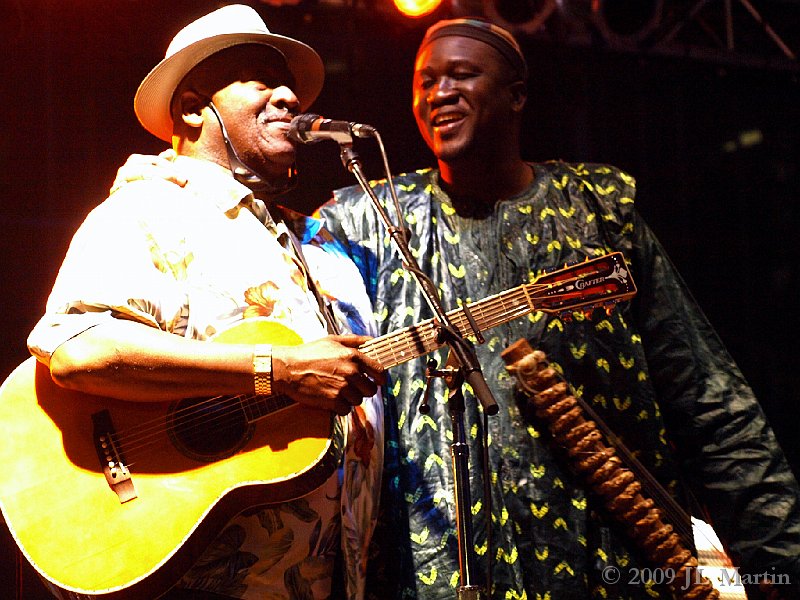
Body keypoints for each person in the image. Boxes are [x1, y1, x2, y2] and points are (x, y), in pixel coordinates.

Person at [317, 17, 800, 600]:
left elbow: (705, 397)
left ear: (517, 95)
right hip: (434, 568)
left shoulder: (596, 208)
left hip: (605, 562)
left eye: (461, 75)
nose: (438, 92)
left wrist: (779, 562)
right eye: (425, 81)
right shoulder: (366, 221)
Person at [26, 5, 384, 600]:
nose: (290, 96)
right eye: (263, 82)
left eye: (288, 84)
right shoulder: (149, 213)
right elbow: (76, 348)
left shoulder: (315, 248)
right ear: (194, 108)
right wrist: (278, 370)